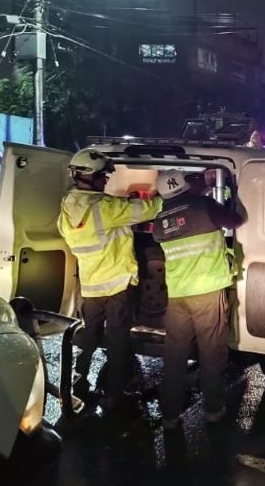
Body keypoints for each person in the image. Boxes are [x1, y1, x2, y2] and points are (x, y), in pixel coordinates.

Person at [56, 149, 162, 410]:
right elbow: (149, 208)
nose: (106, 181)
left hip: (91, 285)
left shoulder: (67, 207)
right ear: (90, 176)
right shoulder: (104, 207)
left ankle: (75, 386)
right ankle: (114, 394)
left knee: (87, 336)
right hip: (117, 284)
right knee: (117, 339)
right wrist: (166, 193)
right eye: (103, 177)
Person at [154, 169, 245, 428]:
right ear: (184, 184)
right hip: (207, 290)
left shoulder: (160, 219)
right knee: (211, 352)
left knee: (174, 355)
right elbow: (236, 221)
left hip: (178, 295)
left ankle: (170, 416)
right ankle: (213, 410)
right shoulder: (203, 205)